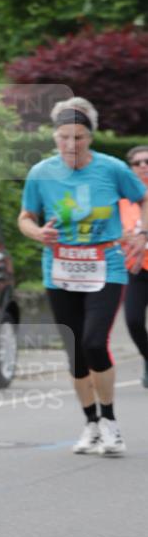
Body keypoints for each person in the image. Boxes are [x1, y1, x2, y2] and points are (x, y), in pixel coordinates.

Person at [18, 97, 147, 456]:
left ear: (90, 137)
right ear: (54, 137)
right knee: (75, 351)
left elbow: (143, 197)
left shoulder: (113, 169)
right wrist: (37, 233)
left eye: (78, 138)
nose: (71, 145)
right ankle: (90, 423)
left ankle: (110, 423)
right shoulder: (41, 173)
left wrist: (142, 231)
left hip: (106, 265)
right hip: (59, 268)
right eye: (63, 138)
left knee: (94, 342)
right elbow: (25, 216)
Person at [120, 145, 148, 387]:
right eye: (137, 163)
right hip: (135, 271)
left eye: (147, 161)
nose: (143, 166)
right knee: (134, 321)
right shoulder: (123, 201)